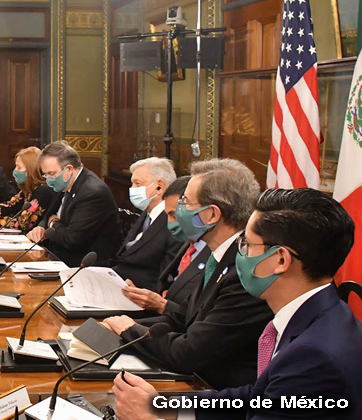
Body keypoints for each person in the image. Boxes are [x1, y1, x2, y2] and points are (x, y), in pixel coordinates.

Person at [113, 188, 362, 420]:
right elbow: (258, 397)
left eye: (246, 244)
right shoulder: (318, 314)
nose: (239, 253)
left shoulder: (313, 356)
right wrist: (170, 407)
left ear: (280, 259)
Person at [102, 159, 273, 389]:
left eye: (185, 202)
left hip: (215, 394)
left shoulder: (244, 267)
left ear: (211, 214)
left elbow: (191, 350)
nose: (177, 209)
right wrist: (125, 325)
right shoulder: (218, 253)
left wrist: (130, 331)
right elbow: (183, 317)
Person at [122, 176, 210, 316]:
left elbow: (197, 317)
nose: (170, 224)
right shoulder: (190, 244)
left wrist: (160, 305)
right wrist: (142, 296)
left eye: (175, 215)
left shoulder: (214, 253)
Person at [27, 141, 123, 265]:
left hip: (84, 265)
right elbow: (49, 214)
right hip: (58, 256)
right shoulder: (65, 183)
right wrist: (41, 226)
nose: (48, 180)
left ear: (69, 169)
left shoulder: (92, 192)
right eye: (45, 175)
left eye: (51, 174)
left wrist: (53, 223)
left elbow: (71, 239)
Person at [104, 157, 183, 290]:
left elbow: (166, 276)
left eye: (137, 184)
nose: (132, 189)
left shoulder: (174, 222)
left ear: (159, 187)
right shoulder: (147, 213)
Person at [0, 146, 56, 232]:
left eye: (19, 167)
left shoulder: (42, 191)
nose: (15, 171)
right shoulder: (28, 190)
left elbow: (23, 224)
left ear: (30, 170)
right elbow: (12, 205)